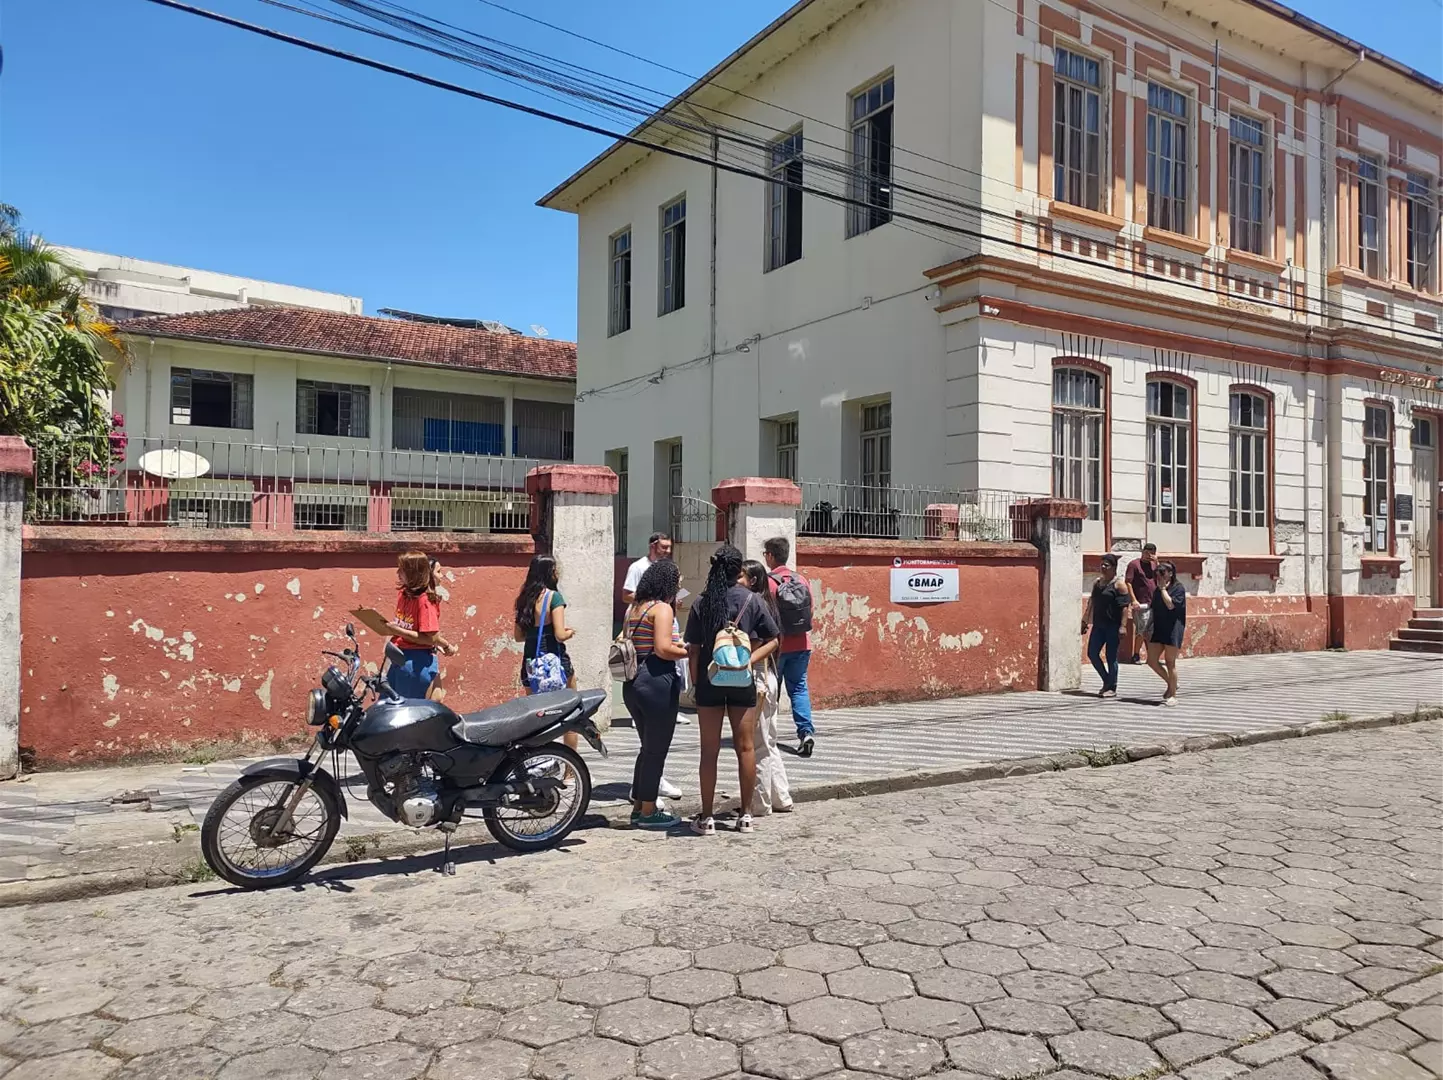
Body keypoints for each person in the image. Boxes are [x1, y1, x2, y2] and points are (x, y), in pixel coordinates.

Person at [684, 543, 779, 835]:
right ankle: (746, 816)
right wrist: (748, 661)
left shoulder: (702, 602)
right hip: (741, 680)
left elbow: (695, 650)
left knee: (708, 751)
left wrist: (695, 684)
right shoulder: (752, 600)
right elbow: (773, 639)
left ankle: (708, 817)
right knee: (746, 747)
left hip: (710, 681)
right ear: (739, 570)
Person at [620, 560, 688, 830]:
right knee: (657, 749)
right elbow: (662, 648)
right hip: (657, 680)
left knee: (647, 749)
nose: (679, 587)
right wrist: (687, 651)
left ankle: (639, 805)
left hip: (633, 683)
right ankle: (649, 811)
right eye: (677, 582)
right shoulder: (662, 609)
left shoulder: (633, 609)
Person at [513, 554, 579, 750]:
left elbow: (518, 636)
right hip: (555, 662)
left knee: (537, 717)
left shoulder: (523, 599)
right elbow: (559, 634)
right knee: (571, 714)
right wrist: (569, 633)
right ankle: (569, 773)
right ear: (550, 572)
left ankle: (538, 764)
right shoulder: (554, 597)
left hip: (531, 664)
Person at [744, 560, 793, 816]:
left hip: (759, 678)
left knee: (759, 744)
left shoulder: (752, 606)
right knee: (769, 741)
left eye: (741, 575)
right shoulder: (768, 604)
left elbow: (754, 645)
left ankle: (760, 802)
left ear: (752, 580)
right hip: (770, 677)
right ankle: (781, 796)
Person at [763, 537, 814, 757]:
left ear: (771, 556)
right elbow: (810, 612)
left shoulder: (768, 582)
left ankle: (768, 737)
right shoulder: (801, 579)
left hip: (777, 647)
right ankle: (806, 732)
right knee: (799, 688)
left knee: (770, 691)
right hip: (802, 643)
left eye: (766, 554)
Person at [384, 551, 458, 699]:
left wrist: (397, 630)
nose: (398, 573)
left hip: (416, 662)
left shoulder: (424, 601)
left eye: (402, 570)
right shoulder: (404, 594)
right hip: (401, 657)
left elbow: (430, 637)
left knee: (413, 709)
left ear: (413, 573)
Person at [1081, 553, 1126, 699]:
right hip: (1099, 625)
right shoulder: (1097, 583)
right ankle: (1107, 680)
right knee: (1092, 653)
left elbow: (1125, 607)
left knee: (1111, 656)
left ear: (1113, 568)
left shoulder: (1119, 585)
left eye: (1106, 565)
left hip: (1113, 626)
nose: (1103, 567)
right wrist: (1085, 621)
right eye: (1102, 564)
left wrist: (1123, 626)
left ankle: (1112, 687)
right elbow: (1092, 602)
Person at [1146, 561, 1187, 706]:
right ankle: (1171, 683)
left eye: (1162, 573)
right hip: (1158, 628)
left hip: (1173, 629)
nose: (1159, 577)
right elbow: (1153, 608)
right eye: (1157, 574)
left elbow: (1170, 605)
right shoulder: (1156, 590)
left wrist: (1163, 589)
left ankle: (1173, 695)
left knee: (1170, 663)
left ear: (1170, 574)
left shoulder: (1178, 588)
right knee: (1151, 660)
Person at [1125, 543, 1159, 664]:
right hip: (1141, 603)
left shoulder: (1155, 565)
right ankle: (1136, 655)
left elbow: (1162, 578)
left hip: (1154, 603)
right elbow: (1128, 582)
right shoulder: (1134, 565)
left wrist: (1157, 563)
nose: (1148, 555)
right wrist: (1133, 600)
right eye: (1146, 552)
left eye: (1151, 553)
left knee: (1152, 631)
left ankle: (1152, 657)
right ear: (1142, 551)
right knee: (1142, 630)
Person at [622, 532, 674, 604]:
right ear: (652, 546)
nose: (668, 551)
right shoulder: (638, 567)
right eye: (664, 547)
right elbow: (626, 596)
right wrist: (652, 602)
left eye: (669, 547)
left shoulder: (669, 568)